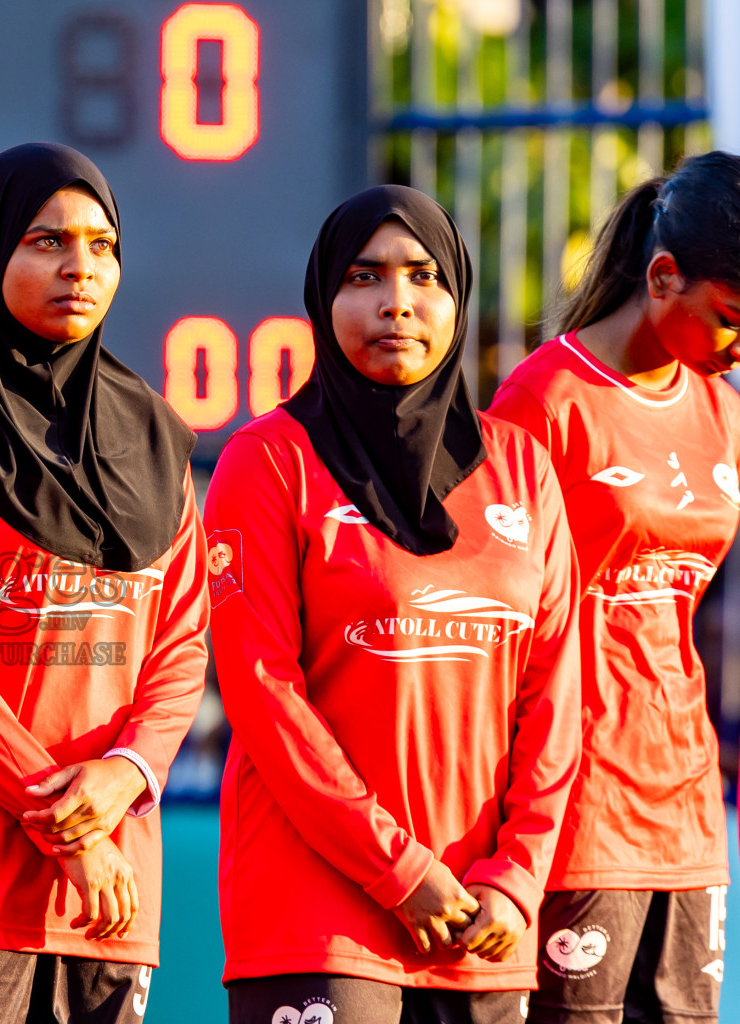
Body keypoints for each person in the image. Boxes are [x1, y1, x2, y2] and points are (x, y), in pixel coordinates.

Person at [205, 185, 582, 1021]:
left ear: (456, 294)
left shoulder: (522, 467)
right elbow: (264, 696)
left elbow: (556, 696)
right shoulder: (267, 462)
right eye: (363, 276)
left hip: (481, 925)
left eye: (422, 276)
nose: (396, 303)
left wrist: (517, 877)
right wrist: (398, 871)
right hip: (317, 920)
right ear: (322, 298)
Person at [0, 143, 208, 1024]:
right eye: (46, 242)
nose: (79, 267)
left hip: (109, 899)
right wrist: (66, 823)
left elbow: (181, 642)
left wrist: (126, 774)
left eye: (101, 245)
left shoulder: (155, 430)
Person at [489, 152, 740, 1023]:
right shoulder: (543, 401)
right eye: (731, 318)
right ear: (663, 277)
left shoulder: (723, 410)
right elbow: (500, 625)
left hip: (690, 813)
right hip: (579, 813)